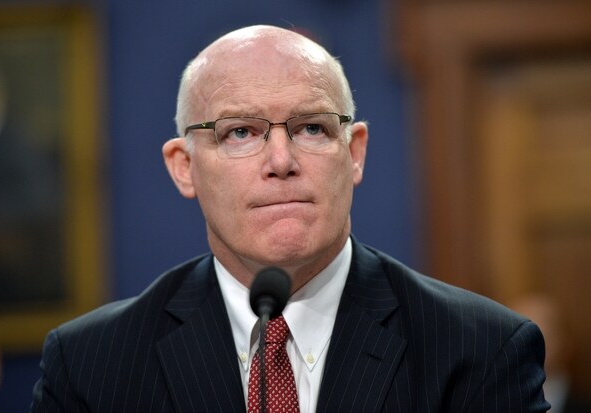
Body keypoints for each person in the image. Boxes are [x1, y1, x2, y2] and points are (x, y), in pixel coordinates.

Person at [31, 25, 549, 412]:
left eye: (312, 128)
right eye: (240, 132)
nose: (281, 161)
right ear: (184, 167)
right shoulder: (91, 365)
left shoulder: (480, 351)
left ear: (355, 153)